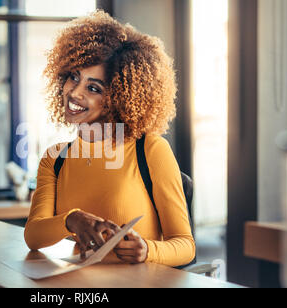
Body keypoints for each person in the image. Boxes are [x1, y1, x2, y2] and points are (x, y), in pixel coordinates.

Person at [24, 10, 195, 267]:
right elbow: (33, 236)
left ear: (118, 99)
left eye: (93, 88)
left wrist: (147, 250)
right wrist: (71, 220)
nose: (74, 93)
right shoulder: (54, 158)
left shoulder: (150, 150)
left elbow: (185, 245)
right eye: (74, 77)